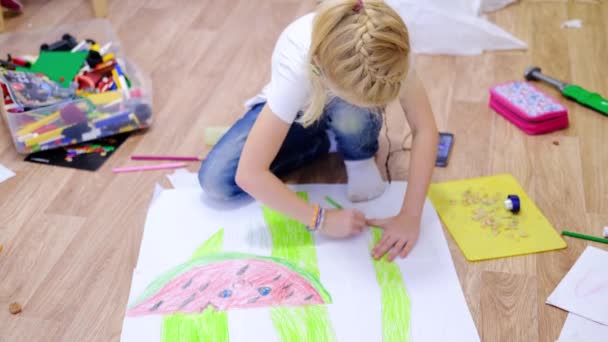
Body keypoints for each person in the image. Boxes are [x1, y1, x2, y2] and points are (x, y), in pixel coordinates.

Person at [199, 0, 438, 262]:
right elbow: (249, 174)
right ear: (319, 66)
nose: (376, 109)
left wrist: (411, 216)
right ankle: (327, 140)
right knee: (216, 181)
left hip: (346, 112)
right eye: (367, 103)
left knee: (351, 112)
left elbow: (424, 128)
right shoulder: (298, 64)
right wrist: (320, 219)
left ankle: (356, 154)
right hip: (301, 112)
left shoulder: (390, 49)